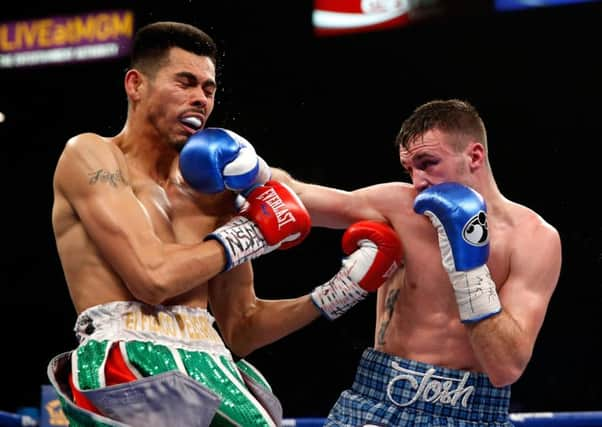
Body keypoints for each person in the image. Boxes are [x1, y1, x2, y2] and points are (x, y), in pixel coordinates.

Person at [48, 21, 403, 427]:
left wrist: (338, 293)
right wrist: (250, 233)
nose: (200, 98)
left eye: (208, 89)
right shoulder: (91, 156)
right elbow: (152, 278)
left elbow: (242, 328)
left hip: (213, 365)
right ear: (136, 85)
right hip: (124, 362)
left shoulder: (213, 190)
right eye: (185, 83)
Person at [270, 99, 562, 426]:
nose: (418, 182)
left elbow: (506, 368)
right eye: (410, 169)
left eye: (428, 163)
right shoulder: (400, 207)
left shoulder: (533, 238)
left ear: (475, 156)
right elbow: (299, 196)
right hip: (379, 399)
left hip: (472, 410)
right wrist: (251, 170)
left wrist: (469, 271)